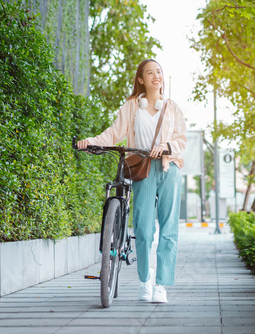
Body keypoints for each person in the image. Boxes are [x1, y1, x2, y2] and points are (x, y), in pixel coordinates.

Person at [77, 59, 186, 303]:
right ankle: (145, 281)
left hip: (169, 167)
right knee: (144, 229)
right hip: (142, 168)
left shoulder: (172, 108)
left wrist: (166, 146)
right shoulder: (131, 107)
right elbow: (112, 133)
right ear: (140, 79)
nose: (156, 76)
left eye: (159, 71)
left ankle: (161, 285)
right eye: (150, 73)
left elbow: (181, 139)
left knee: (168, 230)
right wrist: (90, 141)